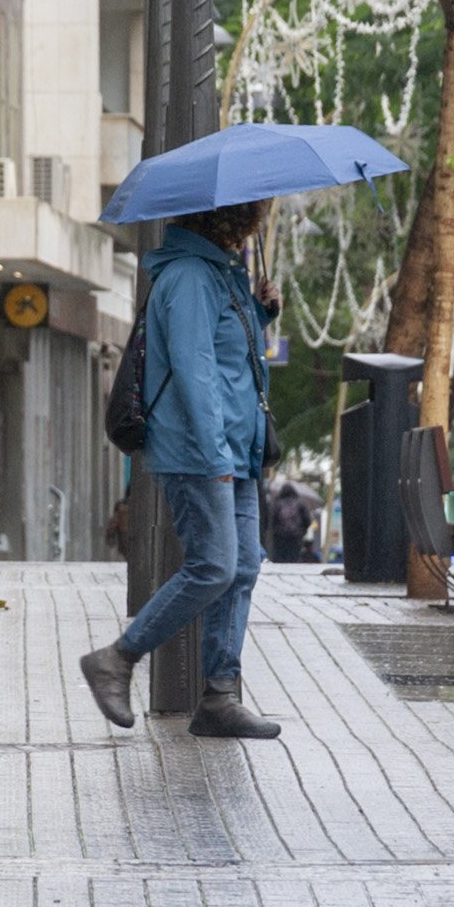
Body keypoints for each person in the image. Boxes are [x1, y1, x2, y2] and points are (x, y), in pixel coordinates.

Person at [77, 199, 282, 739]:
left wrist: (261, 313)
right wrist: (215, 455)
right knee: (214, 566)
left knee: (241, 570)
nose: (253, 228)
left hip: (235, 451)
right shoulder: (190, 277)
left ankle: (219, 697)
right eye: (251, 217)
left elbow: (230, 358)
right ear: (231, 221)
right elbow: (194, 373)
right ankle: (117, 659)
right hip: (200, 453)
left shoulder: (223, 275)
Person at [265, 479, 314, 564]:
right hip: (296, 536)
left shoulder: (276, 503)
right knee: (293, 556)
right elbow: (307, 520)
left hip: (279, 536)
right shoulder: (300, 503)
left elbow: (271, 520)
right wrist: (303, 531)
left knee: (280, 557)